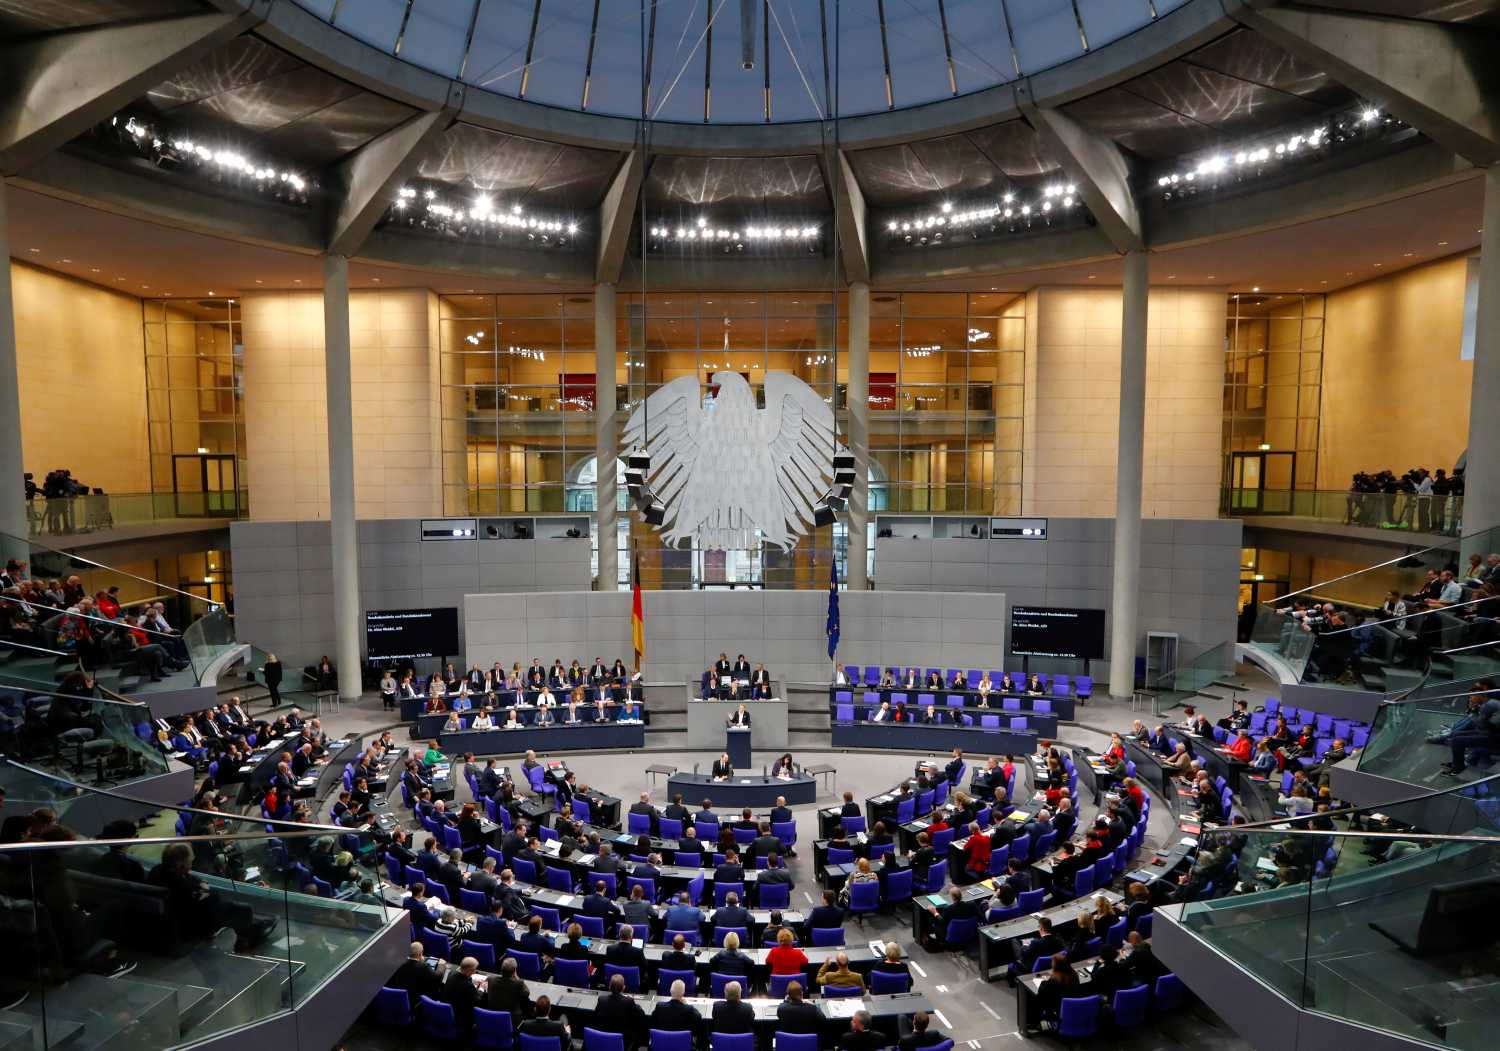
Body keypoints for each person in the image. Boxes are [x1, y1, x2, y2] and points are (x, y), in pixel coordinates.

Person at [148, 843, 276, 953]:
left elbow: (196, 885)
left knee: (228, 907)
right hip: (190, 923)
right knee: (242, 909)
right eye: (190, 861)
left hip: (177, 916)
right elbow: (208, 894)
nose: (191, 864)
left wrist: (202, 888)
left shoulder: (157, 871)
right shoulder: (181, 884)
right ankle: (249, 936)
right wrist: (205, 889)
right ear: (181, 864)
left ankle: (252, 926)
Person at [593, 972, 645, 1049]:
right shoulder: (629, 1001)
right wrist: (635, 1004)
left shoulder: (601, 1000)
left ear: (610, 987)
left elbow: (596, 1015)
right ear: (623, 988)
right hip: (623, 1040)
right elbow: (641, 1015)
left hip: (604, 1037)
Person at [390, 940, 445, 1007]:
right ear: (420, 954)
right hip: (415, 999)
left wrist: (419, 959)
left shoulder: (400, 961)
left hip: (400, 995)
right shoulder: (422, 966)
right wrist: (441, 965)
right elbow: (437, 976)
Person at [443, 955, 486, 1035]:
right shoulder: (468, 986)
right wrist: (481, 988)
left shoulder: (451, 974)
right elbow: (478, 1000)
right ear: (469, 971)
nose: (474, 972)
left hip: (449, 1009)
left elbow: (461, 981)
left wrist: (470, 980)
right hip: (461, 1017)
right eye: (474, 970)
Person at [1034, 958, 1080, 1027]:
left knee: (1038, 1000)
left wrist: (1044, 982)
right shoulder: (1075, 976)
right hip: (1075, 1010)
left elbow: (1040, 994)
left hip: (1059, 1011)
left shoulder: (1053, 981)